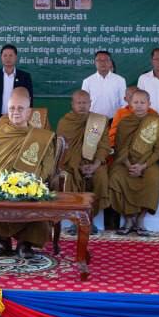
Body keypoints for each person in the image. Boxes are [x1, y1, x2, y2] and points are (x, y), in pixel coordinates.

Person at [0, 88, 57, 256]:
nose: (15, 112)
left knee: (34, 197)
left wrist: (27, 182)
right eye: (12, 108)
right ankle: (2, 241)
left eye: (20, 108)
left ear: (29, 112)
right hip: (3, 183)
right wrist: (6, 182)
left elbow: (47, 166)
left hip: (29, 184)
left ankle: (25, 243)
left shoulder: (41, 137)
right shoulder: (0, 135)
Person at [107, 88, 159, 235]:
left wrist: (143, 166)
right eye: (136, 102)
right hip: (125, 162)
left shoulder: (156, 122)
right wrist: (129, 165)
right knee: (116, 178)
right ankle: (128, 219)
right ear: (130, 104)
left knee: (152, 178)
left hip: (148, 163)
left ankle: (140, 219)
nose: (139, 106)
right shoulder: (124, 122)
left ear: (149, 104)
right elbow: (120, 148)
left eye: (142, 102)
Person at [55, 90, 111, 221]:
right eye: (78, 103)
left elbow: (104, 146)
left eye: (85, 103)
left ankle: (90, 218)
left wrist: (95, 165)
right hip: (71, 164)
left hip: (94, 163)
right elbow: (61, 148)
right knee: (68, 177)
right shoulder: (65, 122)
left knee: (101, 176)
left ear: (90, 103)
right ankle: (75, 219)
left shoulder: (98, 121)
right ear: (72, 104)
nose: (82, 106)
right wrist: (77, 165)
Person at [0, 44, 33, 141]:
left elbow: (30, 100)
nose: (8, 58)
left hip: (19, 118)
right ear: (1, 57)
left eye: (11, 55)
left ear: (16, 57)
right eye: (5, 55)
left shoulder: (25, 76)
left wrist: (28, 117)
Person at [80, 50, 127, 119]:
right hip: (94, 120)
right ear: (95, 63)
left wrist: (119, 118)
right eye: (99, 60)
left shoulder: (120, 80)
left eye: (106, 60)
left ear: (110, 62)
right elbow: (83, 103)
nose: (102, 63)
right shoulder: (87, 81)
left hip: (114, 119)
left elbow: (124, 102)